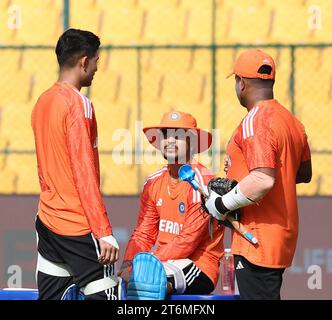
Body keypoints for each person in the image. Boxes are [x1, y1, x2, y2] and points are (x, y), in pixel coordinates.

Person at [204, 49, 312, 300]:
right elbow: (303, 173)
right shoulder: (292, 121)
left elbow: (263, 179)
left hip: (257, 235)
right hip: (279, 233)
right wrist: (243, 185)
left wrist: (222, 203)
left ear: (241, 83)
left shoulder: (257, 120)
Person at [31, 28, 120, 300]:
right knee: (110, 296)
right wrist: (103, 232)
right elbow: (84, 172)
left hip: (47, 221)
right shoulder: (78, 104)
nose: (95, 70)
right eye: (95, 62)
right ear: (84, 61)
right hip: (77, 225)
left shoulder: (42, 102)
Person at [118, 111, 224, 297]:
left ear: (192, 142)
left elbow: (188, 241)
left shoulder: (203, 183)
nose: (171, 140)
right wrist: (129, 262)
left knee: (149, 285)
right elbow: (144, 233)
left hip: (199, 264)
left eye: (179, 135)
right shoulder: (153, 182)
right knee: (116, 286)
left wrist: (145, 265)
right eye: (166, 135)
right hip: (159, 263)